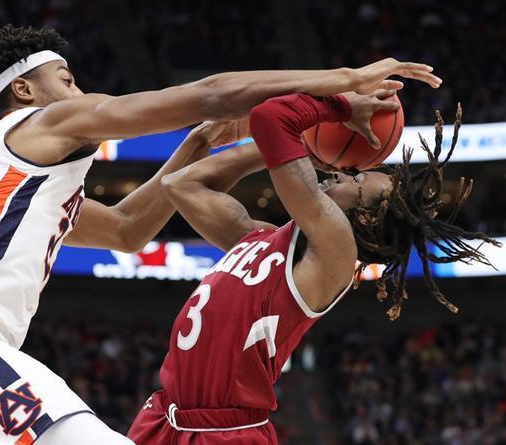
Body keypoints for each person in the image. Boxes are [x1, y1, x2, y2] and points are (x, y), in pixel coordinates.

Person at [0, 23, 442, 444]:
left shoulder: (29, 188)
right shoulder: (42, 123)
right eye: (68, 81)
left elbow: (127, 229)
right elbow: (212, 91)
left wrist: (198, 143)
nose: (81, 95)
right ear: (25, 92)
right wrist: (341, 85)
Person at [127, 93, 500, 444]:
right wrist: (283, 147)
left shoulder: (337, 249)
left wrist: (336, 105)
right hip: (165, 415)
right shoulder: (263, 239)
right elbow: (181, 185)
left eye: (356, 179)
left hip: (226, 432)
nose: (340, 172)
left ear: (367, 217)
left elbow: (271, 118)